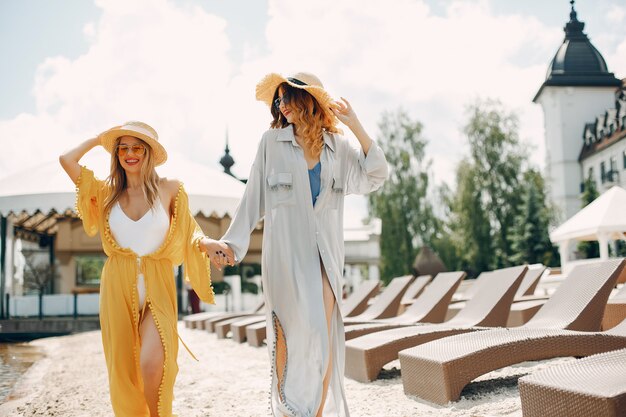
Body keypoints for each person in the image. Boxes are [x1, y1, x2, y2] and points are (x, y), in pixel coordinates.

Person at [218, 72, 388, 417]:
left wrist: (354, 123)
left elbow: (376, 175)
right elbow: (253, 198)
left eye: (287, 97)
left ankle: (314, 412)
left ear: (306, 99)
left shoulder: (338, 147)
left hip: (326, 257)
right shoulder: (271, 143)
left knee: (320, 335)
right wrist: (231, 245)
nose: (281, 105)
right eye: (278, 100)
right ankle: (285, 409)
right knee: (286, 336)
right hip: (284, 257)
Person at [59, 121, 230, 417]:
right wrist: (99, 139)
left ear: (149, 152)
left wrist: (207, 242)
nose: (129, 153)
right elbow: (67, 160)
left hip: (157, 286)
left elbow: (190, 230)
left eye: (137, 147)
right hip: (116, 287)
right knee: (123, 371)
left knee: (153, 365)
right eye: (122, 148)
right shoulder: (106, 192)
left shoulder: (169, 189)